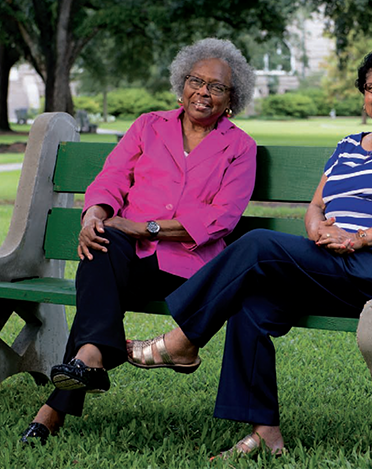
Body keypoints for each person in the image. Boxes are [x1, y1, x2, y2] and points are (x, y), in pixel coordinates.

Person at [123, 46, 372, 458]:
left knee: (259, 244)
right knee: (252, 305)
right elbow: (316, 206)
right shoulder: (349, 145)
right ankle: (266, 433)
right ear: (363, 93)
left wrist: (360, 238)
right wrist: (317, 230)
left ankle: (183, 339)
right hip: (337, 263)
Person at [19, 38, 258, 446]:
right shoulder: (149, 125)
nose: (203, 92)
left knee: (103, 269)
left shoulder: (239, 147)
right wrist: (95, 214)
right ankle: (90, 359)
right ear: (181, 84)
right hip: (128, 261)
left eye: (216, 87)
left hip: (191, 271)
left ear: (231, 99)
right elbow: (112, 178)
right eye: (195, 81)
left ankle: (61, 399)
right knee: (100, 241)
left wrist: (145, 227)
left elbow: (222, 217)